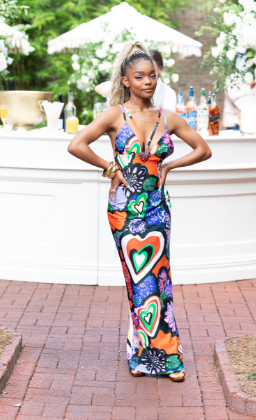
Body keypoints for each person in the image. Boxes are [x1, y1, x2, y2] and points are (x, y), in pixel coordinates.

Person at [68, 41, 212, 381]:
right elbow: (76, 144)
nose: (148, 82)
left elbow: (203, 150)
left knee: (159, 280)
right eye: (140, 77)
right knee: (137, 281)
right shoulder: (114, 115)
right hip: (124, 211)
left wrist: (170, 167)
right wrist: (111, 169)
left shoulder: (168, 117)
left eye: (153, 76)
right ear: (127, 79)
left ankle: (166, 358)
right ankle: (143, 355)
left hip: (158, 207)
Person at [95, 49, 177, 111]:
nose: (147, 81)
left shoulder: (167, 93)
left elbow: (169, 120)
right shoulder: (132, 85)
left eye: (151, 68)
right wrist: (117, 91)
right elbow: (99, 88)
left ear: (160, 68)